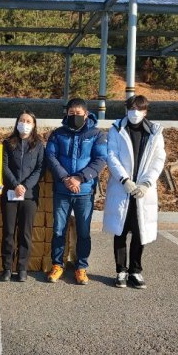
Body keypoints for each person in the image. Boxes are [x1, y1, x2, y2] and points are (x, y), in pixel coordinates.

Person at [103, 95, 166, 289]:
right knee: (120, 230)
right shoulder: (117, 129)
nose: (134, 113)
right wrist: (124, 180)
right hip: (122, 188)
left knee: (140, 232)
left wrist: (146, 183)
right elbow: (111, 156)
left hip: (143, 191)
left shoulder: (154, 132)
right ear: (126, 110)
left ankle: (135, 271)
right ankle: (121, 270)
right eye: (131, 109)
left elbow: (158, 159)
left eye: (139, 109)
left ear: (145, 111)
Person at [45, 98, 107, 285]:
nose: (74, 116)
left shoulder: (96, 134)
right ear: (66, 114)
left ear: (86, 114)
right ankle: (57, 265)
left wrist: (79, 178)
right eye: (71, 113)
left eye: (78, 113)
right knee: (58, 230)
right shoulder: (58, 134)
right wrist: (65, 178)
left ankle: (81, 267)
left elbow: (100, 159)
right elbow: (51, 156)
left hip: (85, 191)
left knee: (84, 231)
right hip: (62, 190)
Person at [0, 110, 45, 282]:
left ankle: (22, 268)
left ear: (33, 125)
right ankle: (7, 268)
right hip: (10, 194)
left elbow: (40, 169)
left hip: (29, 196)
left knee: (25, 233)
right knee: (8, 232)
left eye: (28, 121)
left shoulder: (38, 145)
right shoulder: (7, 143)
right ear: (17, 122)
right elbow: (4, 166)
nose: (24, 124)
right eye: (22, 120)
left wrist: (25, 186)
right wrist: (15, 185)